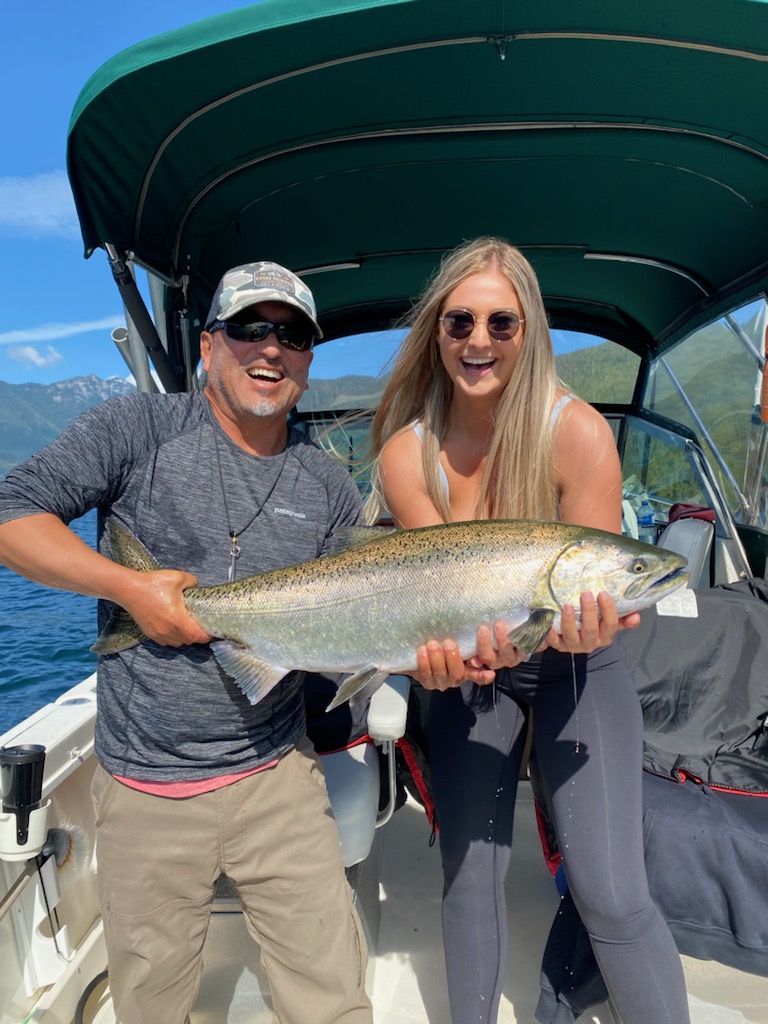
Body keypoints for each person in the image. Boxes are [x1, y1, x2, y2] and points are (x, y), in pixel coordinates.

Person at [0, 261, 373, 1024]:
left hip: (278, 775)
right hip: (144, 788)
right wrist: (129, 588)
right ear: (209, 345)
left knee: (334, 998)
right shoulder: (136, 429)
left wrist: (435, 646)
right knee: (152, 1003)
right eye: (250, 328)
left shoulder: (329, 487)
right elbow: (13, 519)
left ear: (308, 358)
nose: (270, 349)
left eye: (293, 334)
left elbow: (353, 619)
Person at [366, 237, 691, 1024]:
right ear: (436, 333)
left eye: (501, 324)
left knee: (612, 894)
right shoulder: (405, 455)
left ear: (531, 329)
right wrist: (429, 663)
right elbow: (431, 599)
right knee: (468, 876)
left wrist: (586, 632)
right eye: (460, 323)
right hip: (473, 677)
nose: (479, 341)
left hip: (578, 665)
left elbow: (595, 585)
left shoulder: (577, 433)